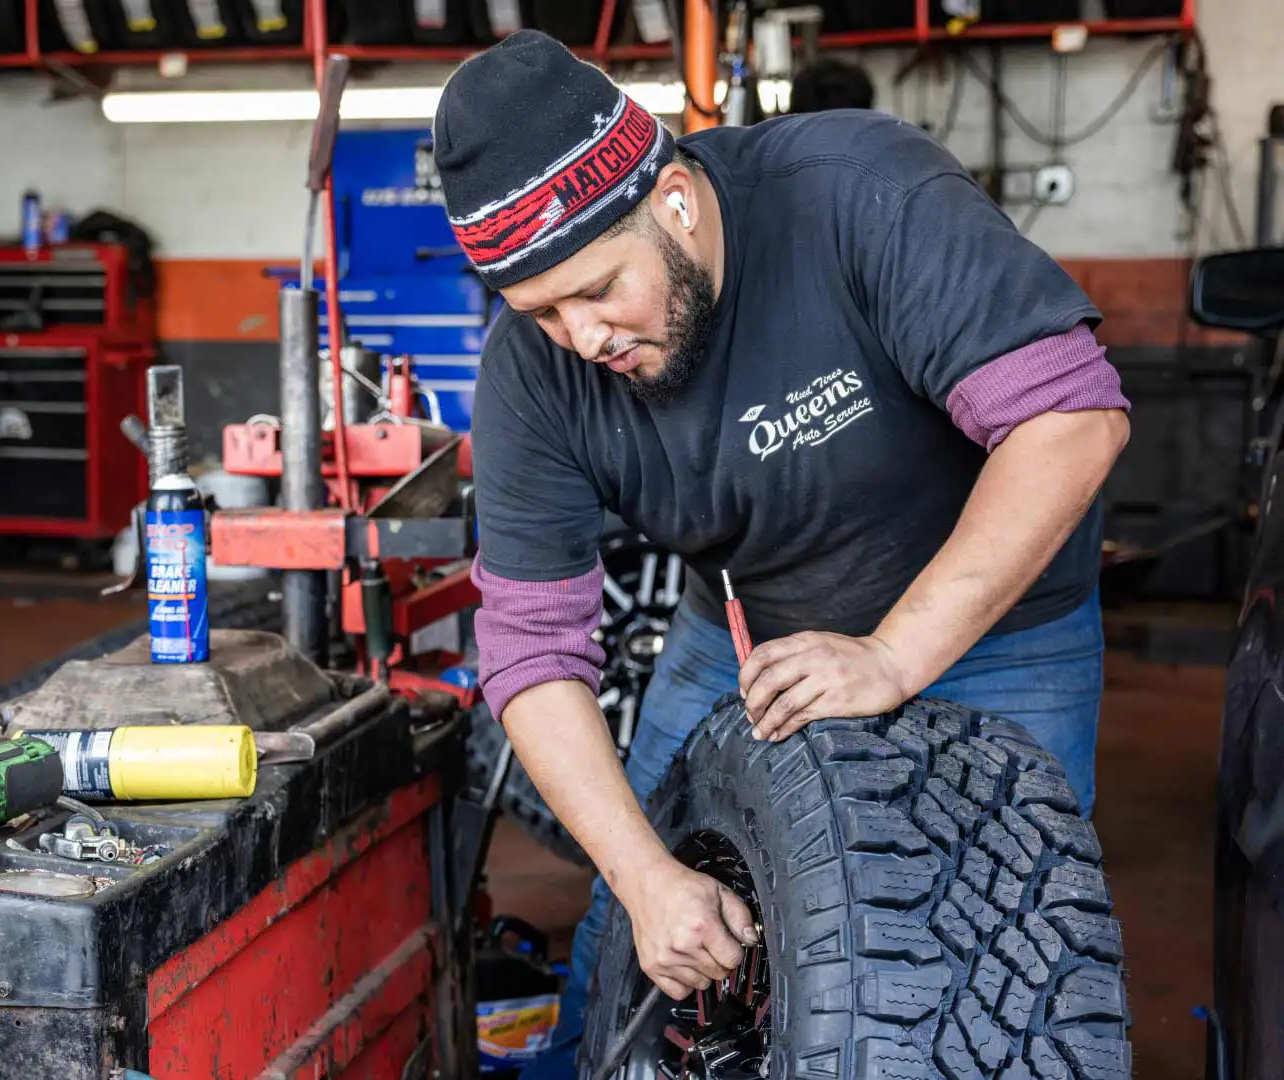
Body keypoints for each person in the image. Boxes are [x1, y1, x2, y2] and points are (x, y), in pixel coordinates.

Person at [432, 30, 1131, 1071]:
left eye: (598, 289)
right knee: (628, 942)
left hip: (1000, 622)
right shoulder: (534, 376)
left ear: (671, 199)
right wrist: (642, 877)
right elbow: (532, 652)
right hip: (744, 636)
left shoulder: (856, 192)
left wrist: (894, 655)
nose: (583, 337)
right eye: (542, 312)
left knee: (996, 950)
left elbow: (1071, 420)